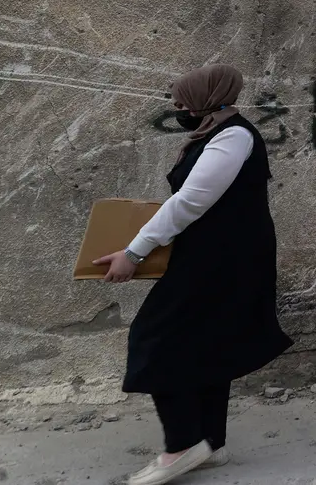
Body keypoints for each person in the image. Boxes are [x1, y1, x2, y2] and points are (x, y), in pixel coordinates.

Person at [93, 64, 293, 485]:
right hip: (218, 253)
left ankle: (182, 446)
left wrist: (134, 252)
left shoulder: (233, 136)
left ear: (208, 96)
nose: (176, 106)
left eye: (182, 99)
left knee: (153, 337)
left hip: (223, 258)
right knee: (207, 342)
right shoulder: (215, 134)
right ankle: (210, 444)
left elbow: (189, 203)